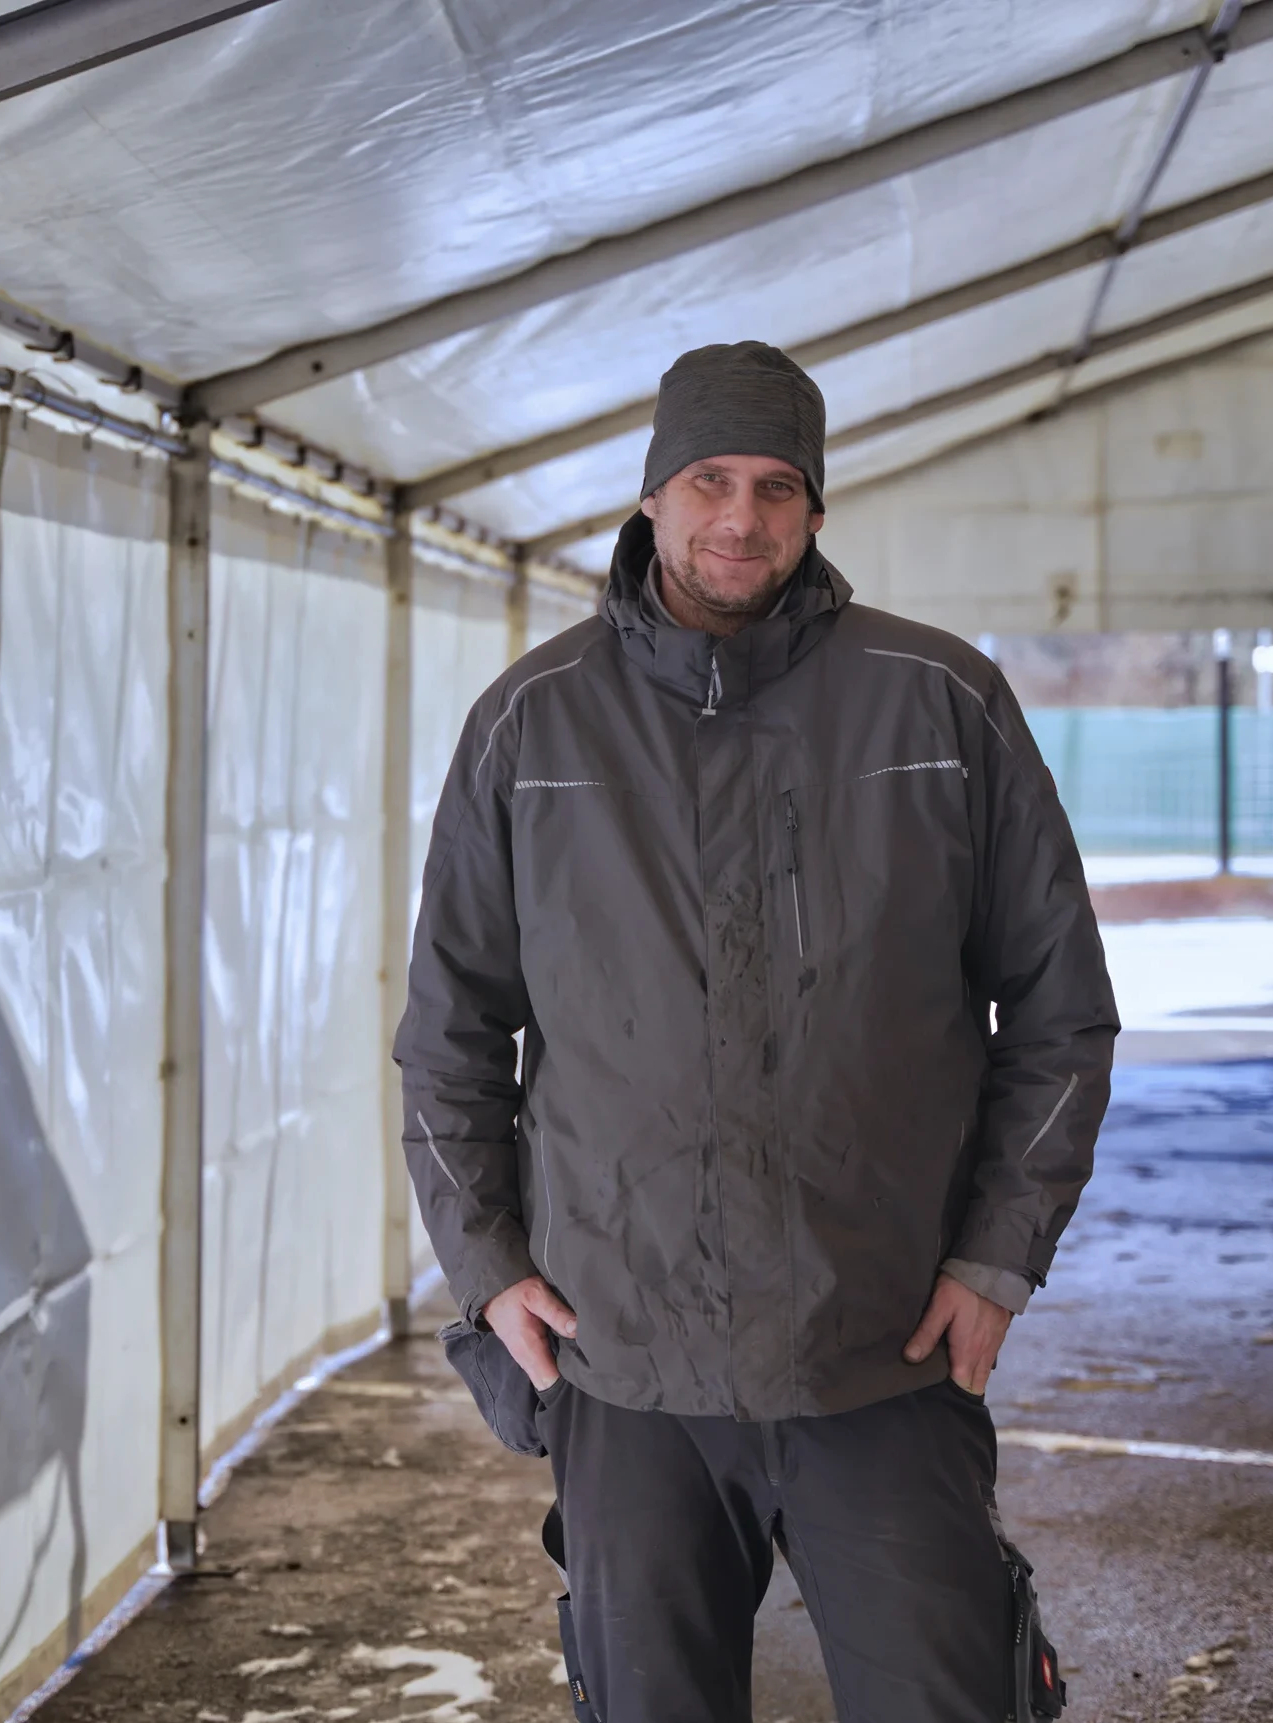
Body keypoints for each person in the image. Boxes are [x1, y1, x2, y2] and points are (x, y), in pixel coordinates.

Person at [395, 340, 1117, 1722]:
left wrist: (994, 1256)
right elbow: (448, 1035)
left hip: (882, 1340)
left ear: (817, 512)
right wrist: (488, 1267)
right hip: (628, 1356)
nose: (742, 517)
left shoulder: (939, 701)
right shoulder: (531, 725)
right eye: (710, 480)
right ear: (651, 498)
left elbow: (1058, 1007)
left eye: (778, 487)